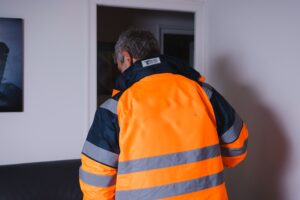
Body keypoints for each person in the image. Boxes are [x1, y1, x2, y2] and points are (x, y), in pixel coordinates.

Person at [79, 29, 249, 200]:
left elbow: (96, 187)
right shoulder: (204, 93)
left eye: (119, 65)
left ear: (127, 57)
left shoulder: (114, 109)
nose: (120, 71)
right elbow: (237, 150)